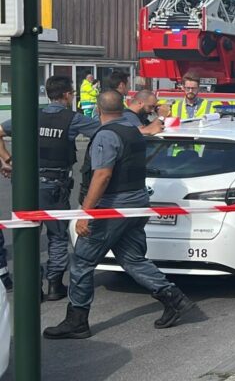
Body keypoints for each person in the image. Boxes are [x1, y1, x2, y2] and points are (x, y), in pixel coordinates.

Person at [44, 90, 196, 339]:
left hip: (112, 208)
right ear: (122, 106)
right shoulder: (132, 131)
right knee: (133, 260)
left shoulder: (106, 136)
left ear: (97, 109)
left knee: (82, 262)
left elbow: (102, 176)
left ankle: (77, 320)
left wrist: (86, 214)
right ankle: (175, 299)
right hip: (137, 204)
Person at [0, 76, 103, 297]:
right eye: (72, 94)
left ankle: (32, 285)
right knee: (57, 236)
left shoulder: (30, 116)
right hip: (54, 185)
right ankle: (55, 284)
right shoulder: (72, 119)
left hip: (25, 186)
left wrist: (8, 160)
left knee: (27, 235)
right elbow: (107, 128)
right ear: (67, 94)